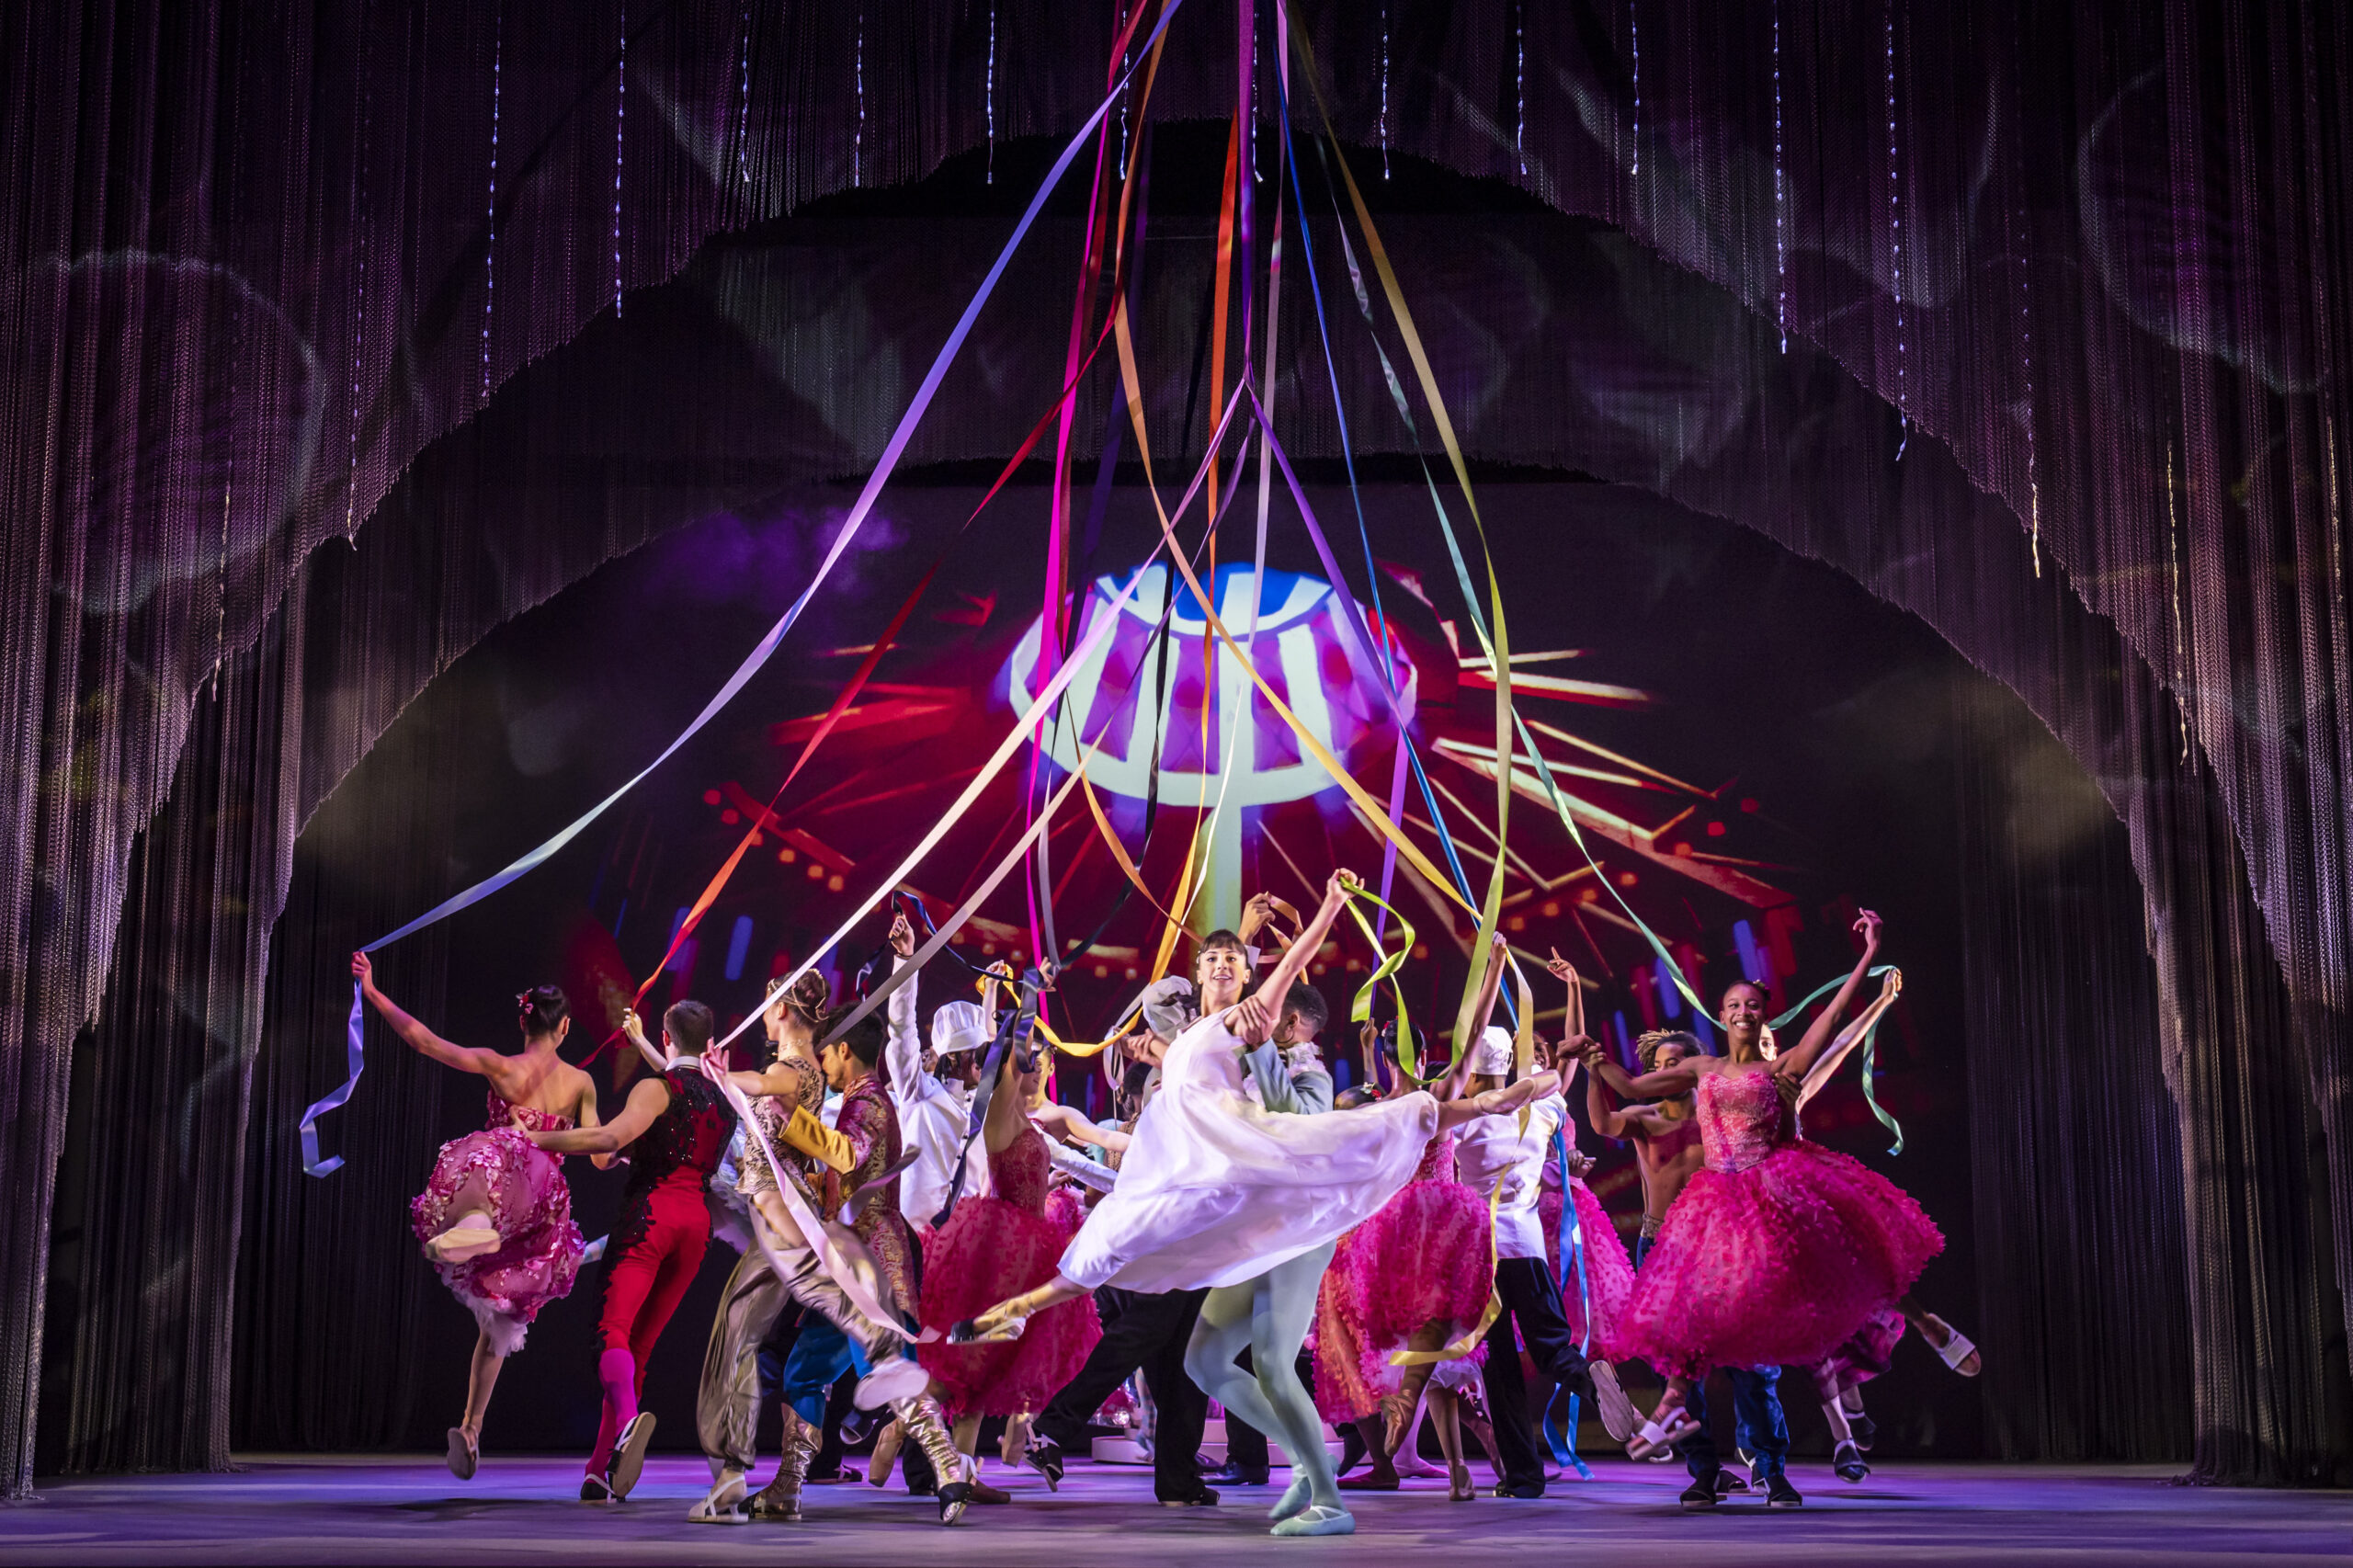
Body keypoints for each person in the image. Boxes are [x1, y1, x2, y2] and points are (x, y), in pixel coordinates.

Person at [960, 869, 1559, 1538]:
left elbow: (1294, 1082)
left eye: (1233, 964)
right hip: (1229, 1203)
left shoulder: (1279, 1049)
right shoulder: (1199, 1033)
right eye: (1211, 962)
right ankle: (1257, 1472)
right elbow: (1201, 1003)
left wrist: (1326, 908)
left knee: (1264, 1357)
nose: (1222, 968)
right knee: (1202, 1359)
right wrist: (1236, 959)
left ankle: (1324, 1493)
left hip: (1282, 1200)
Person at [1582, 912, 1944, 1511]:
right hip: (1703, 1222)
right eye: (1733, 1003)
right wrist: (1593, 1057)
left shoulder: (1781, 1071)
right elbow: (1624, 1087)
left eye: (1753, 1004)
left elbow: (1834, 1027)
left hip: (1756, 1215)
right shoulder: (1697, 1074)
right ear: (1721, 1015)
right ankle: (1697, 1460)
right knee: (1687, 1346)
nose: (1743, 1011)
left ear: (1763, 1015)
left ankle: (1772, 1472)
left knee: (1755, 1365)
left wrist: (1869, 958)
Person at [353, 956, 597, 1482]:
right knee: (501, 1321)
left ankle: (477, 1229)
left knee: (488, 1188)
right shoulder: (581, 1083)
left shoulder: (501, 1065)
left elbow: (426, 1042)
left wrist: (373, 993)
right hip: (542, 1202)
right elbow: (598, 1149)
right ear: (565, 1028)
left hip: (501, 1175)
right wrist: (615, 1152)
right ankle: (470, 1428)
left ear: (523, 1022)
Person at [523, 999, 736, 1504]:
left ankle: (626, 1426)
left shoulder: (655, 1089)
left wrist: (534, 1136)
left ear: (666, 1038)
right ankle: (600, 1472)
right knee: (637, 1350)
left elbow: (607, 1138)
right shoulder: (724, 1102)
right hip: (696, 1228)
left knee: (612, 1333)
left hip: (652, 1218)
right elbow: (663, 1123)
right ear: (708, 1045)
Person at [916, 1003, 1106, 1488]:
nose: (1036, 1069)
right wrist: (1022, 999)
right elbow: (1001, 1055)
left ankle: (962, 1470)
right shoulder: (996, 1118)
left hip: (1026, 1257)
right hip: (996, 1251)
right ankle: (899, 1431)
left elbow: (1090, 1166)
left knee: (993, 1363)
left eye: (1039, 1064)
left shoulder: (1035, 1127)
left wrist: (1145, 1183)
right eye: (1028, 1062)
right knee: (970, 1358)